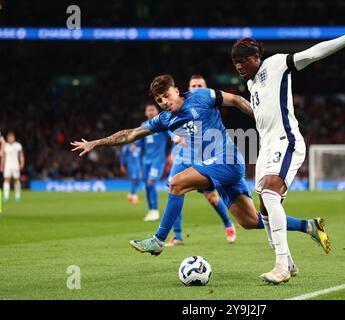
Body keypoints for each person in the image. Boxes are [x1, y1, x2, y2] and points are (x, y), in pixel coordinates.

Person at [71, 74, 327, 283]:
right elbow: (131, 134)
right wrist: (97, 142)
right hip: (218, 169)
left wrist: (262, 121)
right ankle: (309, 226)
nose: (164, 102)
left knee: (176, 182)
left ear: (177, 90)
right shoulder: (165, 119)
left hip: (227, 159)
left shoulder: (202, 97)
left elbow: (236, 99)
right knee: (250, 221)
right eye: (159, 100)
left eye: (166, 96)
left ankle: (158, 240)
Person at [230, 18, 345, 282]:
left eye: (243, 60)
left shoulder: (275, 64)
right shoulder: (252, 86)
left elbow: (312, 53)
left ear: (256, 56)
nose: (239, 66)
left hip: (286, 142)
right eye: (235, 63)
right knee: (264, 210)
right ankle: (291, 263)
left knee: (271, 196)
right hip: (266, 148)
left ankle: (281, 267)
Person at [167, 74, 236, 246]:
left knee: (212, 198)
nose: (197, 89)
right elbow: (168, 124)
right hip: (183, 157)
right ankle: (177, 236)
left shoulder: (206, 107)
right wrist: (174, 136)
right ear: (188, 89)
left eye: (200, 86)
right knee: (174, 188)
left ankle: (228, 224)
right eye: (194, 86)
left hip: (203, 158)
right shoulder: (177, 107)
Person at [139, 103, 175, 222]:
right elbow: (139, 142)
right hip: (146, 161)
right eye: (148, 110)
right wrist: (135, 146)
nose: (150, 112)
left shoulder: (162, 124)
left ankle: (155, 210)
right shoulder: (143, 126)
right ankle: (151, 210)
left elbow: (173, 136)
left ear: (156, 111)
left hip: (158, 160)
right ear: (145, 113)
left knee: (151, 183)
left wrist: (171, 153)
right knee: (147, 186)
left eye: (152, 109)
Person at [2, 132, 25, 202]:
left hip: (15, 165)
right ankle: (6, 196)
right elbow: (3, 157)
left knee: (16, 180)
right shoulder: (5, 146)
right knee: (6, 180)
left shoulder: (18, 145)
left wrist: (22, 163)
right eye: (9, 137)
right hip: (7, 165)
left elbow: (21, 155)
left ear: (14, 138)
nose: (10, 139)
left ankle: (17, 196)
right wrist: (2, 165)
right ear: (7, 138)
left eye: (11, 137)